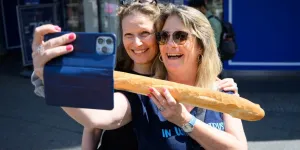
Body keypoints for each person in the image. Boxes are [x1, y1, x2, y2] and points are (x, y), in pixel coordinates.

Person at [30, 3, 244, 150]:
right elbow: (94, 120)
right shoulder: (143, 92)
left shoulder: (221, 89)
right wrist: (49, 76)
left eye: (180, 36)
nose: (170, 44)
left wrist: (186, 118)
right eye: (164, 36)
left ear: (201, 45)